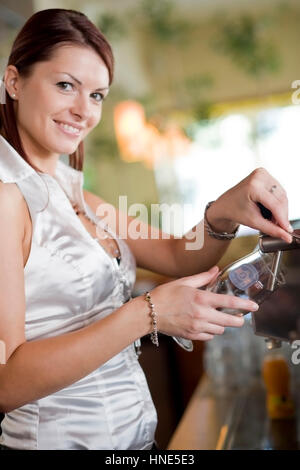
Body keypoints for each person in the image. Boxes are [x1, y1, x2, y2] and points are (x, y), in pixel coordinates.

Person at [0, 8, 293, 451]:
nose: (84, 110)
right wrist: (147, 313)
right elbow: (7, 382)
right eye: (66, 85)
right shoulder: (6, 200)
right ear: (14, 82)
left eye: (97, 95)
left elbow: (178, 255)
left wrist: (224, 213)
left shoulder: (75, 195)